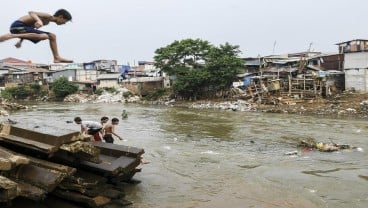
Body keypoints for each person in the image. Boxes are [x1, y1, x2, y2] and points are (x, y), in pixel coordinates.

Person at [0, 9, 73, 63]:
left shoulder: (47, 22)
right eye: (65, 21)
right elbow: (31, 12)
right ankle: (11, 36)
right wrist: (39, 20)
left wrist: (21, 41)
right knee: (45, 36)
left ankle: (56, 57)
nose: (64, 23)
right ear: (60, 17)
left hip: (21, 28)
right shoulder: (48, 16)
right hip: (17, 25)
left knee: (52, 36)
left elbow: (30, 30)